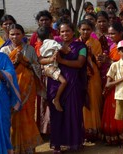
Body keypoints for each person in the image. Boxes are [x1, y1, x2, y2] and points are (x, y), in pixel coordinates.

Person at [0, 24, 43, 153]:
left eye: (18, 34)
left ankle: (28, 147)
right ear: (8, 35)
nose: (15, 36)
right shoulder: (4, 51)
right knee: (12, 117)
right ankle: (13, 147)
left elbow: (37, 68)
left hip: (28, 88)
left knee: (28, 115)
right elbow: (1, 72)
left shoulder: (29, 50)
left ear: (23, 35)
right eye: (12, 34)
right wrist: (16, 62)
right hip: (11, 88)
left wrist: (24, 62)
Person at [48, 21, 87, 152]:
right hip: (56, 83)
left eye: (67, 31)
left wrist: (62, 61)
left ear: (73, 32)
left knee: (73, 113)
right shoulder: (55, 46)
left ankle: (74, 142)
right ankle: (57, 144)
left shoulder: (81, 46)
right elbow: (42, 59)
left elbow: (80, 63)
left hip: (73, 84)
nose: (65, 34)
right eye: (62, 31)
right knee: (57, 114)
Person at [101, 22, 123, 145]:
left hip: (122, 81)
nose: (110, 36)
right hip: (112, 80)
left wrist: (109, 60)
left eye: (113, 33)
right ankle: (113, 136)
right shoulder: (112, 47)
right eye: (109, 33)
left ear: (121, 33)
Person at [78, 20, 103, 142]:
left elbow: (99, 62)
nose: (85, 31)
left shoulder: (96, 43)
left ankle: (94, 130)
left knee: (93, 101)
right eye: (83, 29)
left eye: (88, 29)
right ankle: (83, 131)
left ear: (91, 30)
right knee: (81, 103)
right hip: (78, 77)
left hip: (93, 76)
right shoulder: (75, 43)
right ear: (79, 30)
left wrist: (91, 53)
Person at [38, 27, 66, 112]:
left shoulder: (42, 46)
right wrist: (68, 51)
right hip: (51, 68)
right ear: (51, 35)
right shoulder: (52, 42)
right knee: (64, 82)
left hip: (46, 68)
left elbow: (41, 58)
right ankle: (56, 99)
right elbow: (61, 48)